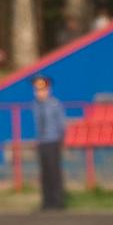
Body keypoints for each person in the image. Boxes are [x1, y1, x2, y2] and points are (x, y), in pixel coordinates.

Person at [32, 75, 67, 210]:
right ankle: (46, 202)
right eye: (37, 90)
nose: (40, 93)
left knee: (54, 172)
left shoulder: (55, 104)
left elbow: (61, 124)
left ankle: (58, 202)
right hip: (42, 142)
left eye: (42, 90)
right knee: (45, 173)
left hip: (53, 141)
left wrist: (60, 141)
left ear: (48, 90)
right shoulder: (35, 105)